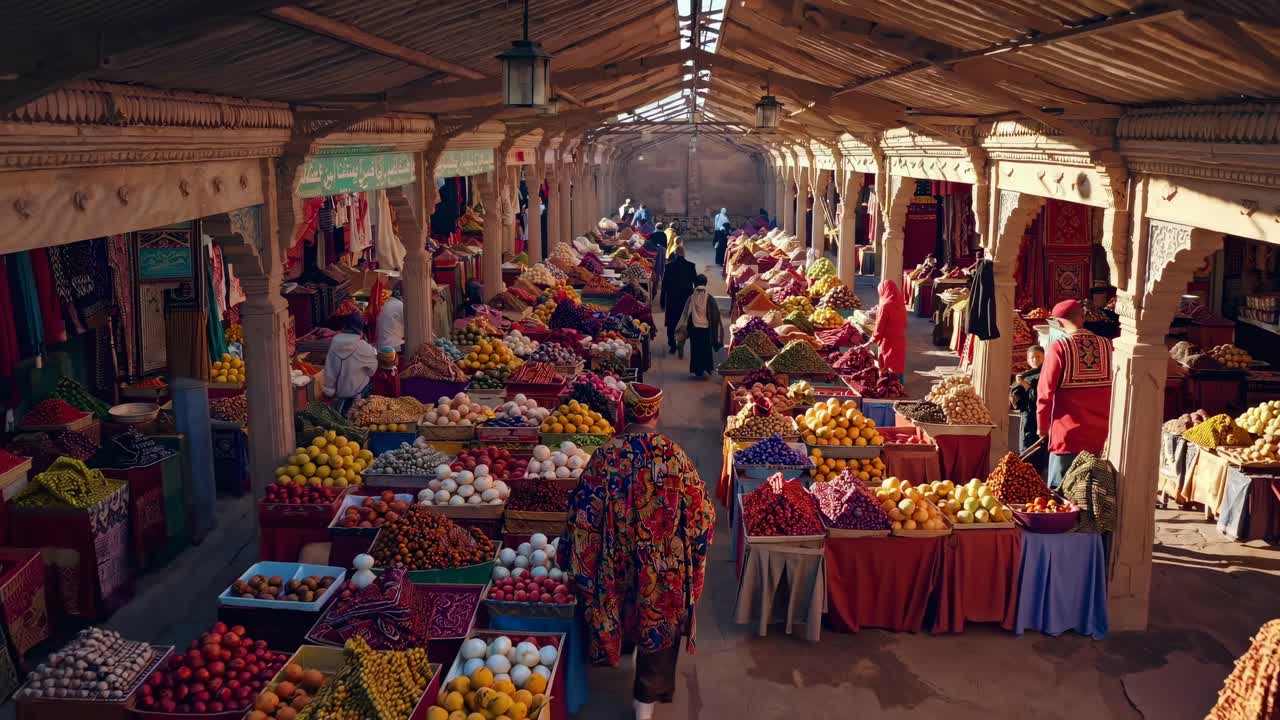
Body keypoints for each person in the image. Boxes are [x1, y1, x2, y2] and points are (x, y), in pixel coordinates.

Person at [563, 393, 715, 720]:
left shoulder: (605, 455)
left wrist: (581, 556)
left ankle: (623, 650)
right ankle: (645, 702)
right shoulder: (674, 455)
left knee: (621, 604)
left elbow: (581, 511)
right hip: (662, 565)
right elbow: (702, 515)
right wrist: (694, 550)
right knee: (659, 618)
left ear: (626, 413)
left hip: (613, 560)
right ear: (656, 413)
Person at [1037, 299, 1114, 490]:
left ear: (1059, 322)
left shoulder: (1060, 347)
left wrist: (1042, 426)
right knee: (1093, 492)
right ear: (1082, 317)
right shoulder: (1106, 345)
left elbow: (1045, 392)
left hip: (1068, 436)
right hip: (1101, 435)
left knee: (1060, 494)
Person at [322, 314, 378, 414]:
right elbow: (372, 371)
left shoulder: (335, 342)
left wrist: (328, 390)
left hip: (338, 393)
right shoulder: (363, 347)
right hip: (358, 393)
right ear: (360, 329)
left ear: (344, 327)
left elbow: (329, 369)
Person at [675, 274, 724, 378]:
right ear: (705, 283)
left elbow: (685, 313)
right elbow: (716, 315)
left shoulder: (691, 298)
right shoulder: (710, 298)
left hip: (694, 328)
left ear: (695, 284)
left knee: (696, 349)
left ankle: (697, 370)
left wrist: (682, 326)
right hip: (706, 329)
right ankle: (707, 367)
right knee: (706, 349)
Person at [1010, 345, 1046, 470]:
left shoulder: (1045, 374)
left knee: (1036, 447)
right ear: (1027, 360)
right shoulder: (1025, 374)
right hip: (1026, 415)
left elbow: (1040, 395)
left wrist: (1024, 385)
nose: (1035, 360)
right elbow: (1016, 398)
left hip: (1039, 415)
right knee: (1025, 445)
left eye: (1038, 357)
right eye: (1032, 357)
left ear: (1044, 357)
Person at [660, 246, 697, 356]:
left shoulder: (669, 266)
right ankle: (681, 342)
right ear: (684, 254)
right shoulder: (691, 266)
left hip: (672, 299)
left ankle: (672, 344)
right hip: (686, 300)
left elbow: (664, 285)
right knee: (683, 322)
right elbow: (695, 282)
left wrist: (662, 301)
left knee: (672, 322)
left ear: (675, 254)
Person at [870, 279, 907, 380]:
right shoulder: (901, 304)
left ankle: (889, 388)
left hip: (887, 342)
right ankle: (899, 386)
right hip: (900, 340)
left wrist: (871, 341)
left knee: (887, 367)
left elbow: (879, 328)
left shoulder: (885, 306)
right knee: (898, 364)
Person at [376, 282, 405, 352]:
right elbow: (415, 327)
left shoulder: (388, 304)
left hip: (382, 347)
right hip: (393, 348)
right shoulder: (400, 306)